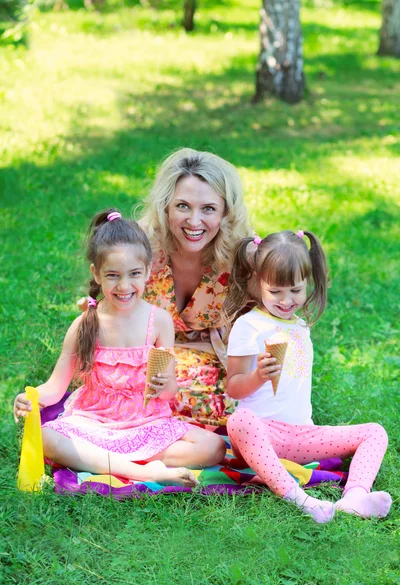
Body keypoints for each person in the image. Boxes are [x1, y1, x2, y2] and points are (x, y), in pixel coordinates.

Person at [14, 209, 226, 487]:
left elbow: (170, 391)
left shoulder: (159, 321)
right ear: (97, 274)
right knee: (47, 438)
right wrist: (32, 398)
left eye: (134, 274)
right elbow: (55, 386)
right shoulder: (85, 324)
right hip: (95, 422)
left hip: (145, 422)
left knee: (214, 447)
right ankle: (146, 471)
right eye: (113, 275)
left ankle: (105, 461)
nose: (124, 286)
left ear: (149, 271)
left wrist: (165, 386)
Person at [223, 230, 392, 523]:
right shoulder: (249, 326)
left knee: (375, 432)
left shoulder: (301, 326)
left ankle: (354, 497)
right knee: (238, 421)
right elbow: (234, 388)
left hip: (302, 435)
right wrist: (258, 376)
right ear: (257, 282)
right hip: (261, 434)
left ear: (307, 282)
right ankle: (301, 500)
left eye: (296, 290)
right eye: (276, 291)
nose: (287, 300)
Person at [139, 148, 253, 426]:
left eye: (208, 209)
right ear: (165, 206)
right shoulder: (140, 248)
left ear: (227, 212)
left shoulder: (244, 258)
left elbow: (261, 329)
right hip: (144, 358)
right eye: (182, 206)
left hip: (215, 365)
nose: (193, 221)